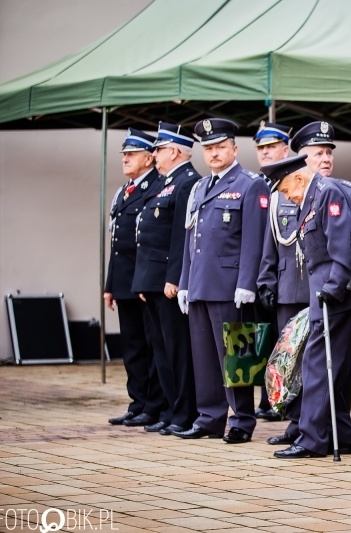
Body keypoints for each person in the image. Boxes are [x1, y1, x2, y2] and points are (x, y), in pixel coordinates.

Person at [173, 118, 270, 445]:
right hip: (201, 284)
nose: (213, 154)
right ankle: (210, 417)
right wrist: (184, 282)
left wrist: (248, 282)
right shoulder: (200, 187)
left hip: (231, 286)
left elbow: (254, 239)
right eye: (208, 148)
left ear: (233, 147)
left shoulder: (250, 183)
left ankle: (242, 419)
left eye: (219, 147)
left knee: (237, 356)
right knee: (204, 358)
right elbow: (191, 240)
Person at [263, 154, 351, 459]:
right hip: (323, 293)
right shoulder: (313, 194)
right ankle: (340, 435)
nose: (286, 196)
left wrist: (332, 289)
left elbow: (342, 247)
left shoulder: (327, 192)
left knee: (316, 367)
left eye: (284, 189)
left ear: (297, 178)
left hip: (333, 296)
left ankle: (311, 439)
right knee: (333, 368)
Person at [132, 121, 201, 436]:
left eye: (158, 149)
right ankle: (169, 409)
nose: (154, 154)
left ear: (174, 151)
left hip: (168, 282)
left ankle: (184, 412)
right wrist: (145, 280)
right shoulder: (165, 182)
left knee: (177, 350)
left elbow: (180, 237)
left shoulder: (187, 182)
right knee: (160, 349)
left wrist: (174, 278)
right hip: (153, 279)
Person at [106, 129, 164, 428]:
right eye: (124, 155)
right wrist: (109, 285)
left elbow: (150, 241)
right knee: (131, 347)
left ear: (149, 157)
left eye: (132, 154)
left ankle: (153, 405)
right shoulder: (123, 191)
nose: (125, 159)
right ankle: (137, 401)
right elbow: (116, 242)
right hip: (124, 282)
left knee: (150, 345)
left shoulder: (156, 187)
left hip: (144, 281)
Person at [253, 121, 295, 423]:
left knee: (284, 342)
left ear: (285, 148)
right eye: (261, 148)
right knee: (258, 340)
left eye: (270, 147)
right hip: (254, 275)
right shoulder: (256, 183)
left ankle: (280, 400)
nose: (265, 153)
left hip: (283, 276)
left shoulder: (292, 181)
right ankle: (265, 398)